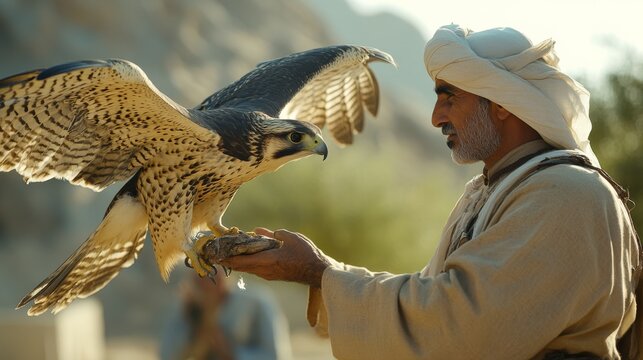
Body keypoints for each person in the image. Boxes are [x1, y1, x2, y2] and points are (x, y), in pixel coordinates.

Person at [218, 25, 642, 359]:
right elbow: (426, 301)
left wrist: (318, 273)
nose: (436, 116)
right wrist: (321, 269)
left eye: (449, 97)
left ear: (501, 102)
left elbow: (458, 329)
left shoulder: (565, 195)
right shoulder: (493, 191)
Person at [160, 267, 292, 360]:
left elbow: (276, 356)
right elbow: (168, 355)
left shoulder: (256, 303)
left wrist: (231, 353)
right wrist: (197, 323)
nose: (206, 279)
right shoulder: (188, 306)